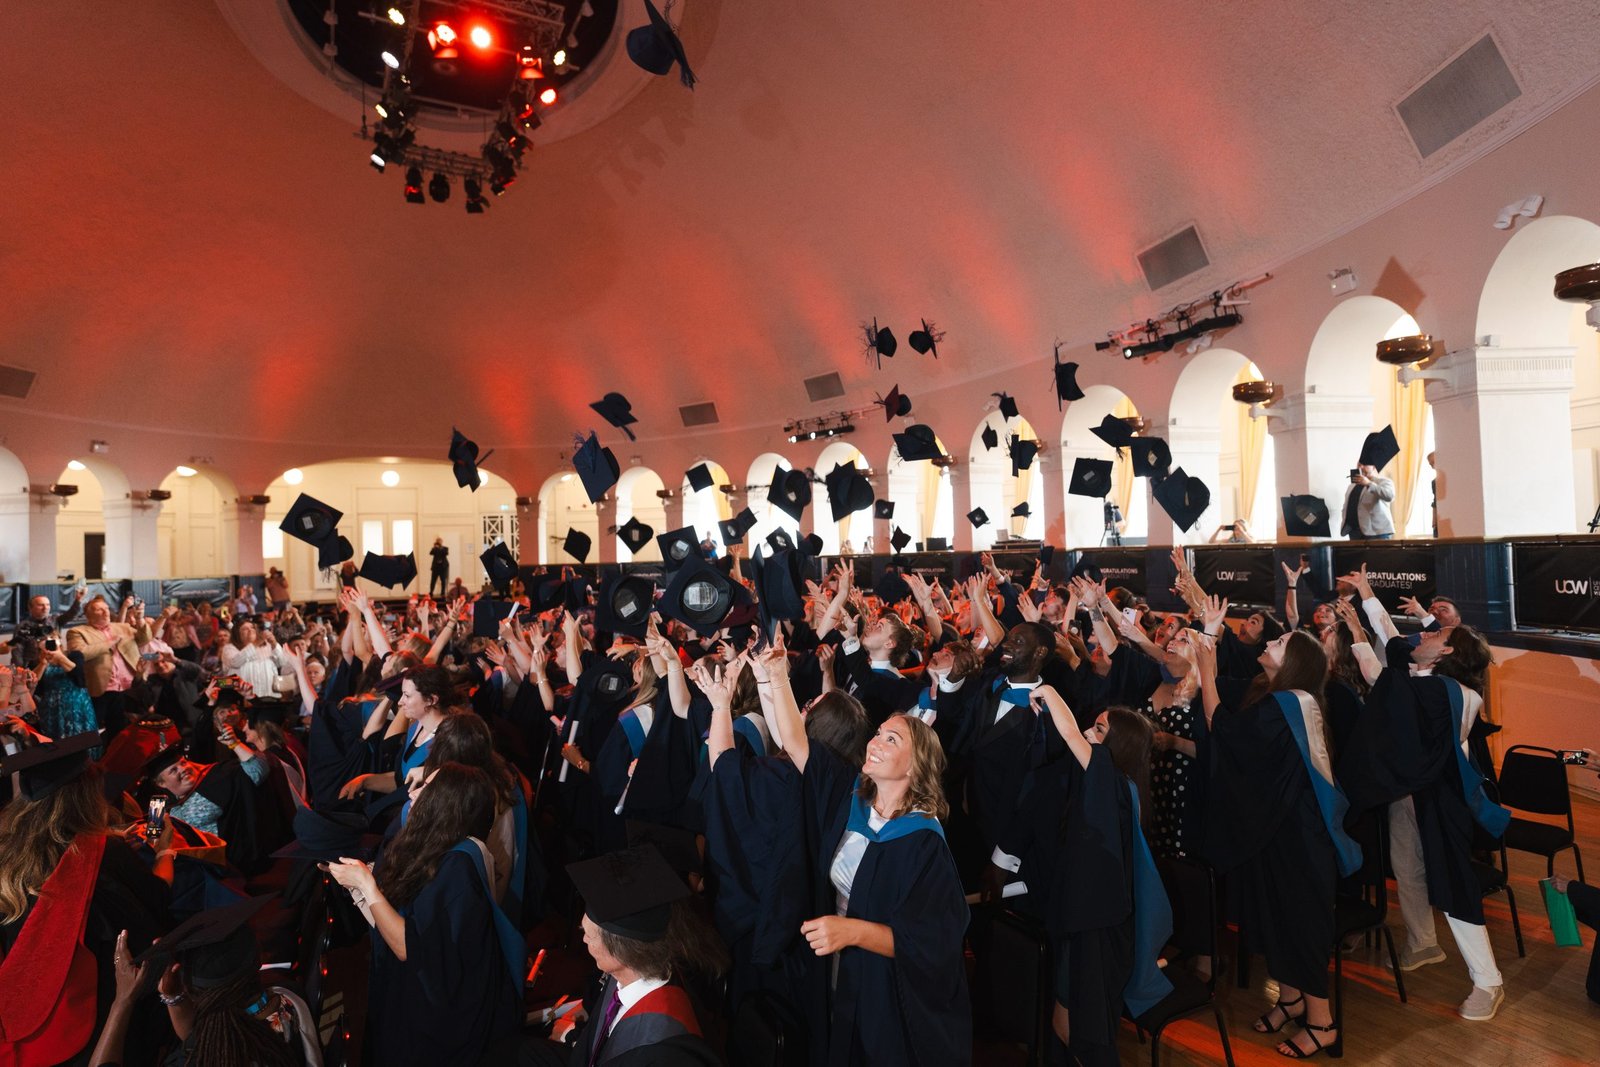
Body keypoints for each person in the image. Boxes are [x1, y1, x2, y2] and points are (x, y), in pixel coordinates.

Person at [764, 638, 971, 1066]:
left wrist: (852, 932)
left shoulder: (922, 843)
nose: (875, 742)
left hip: (887, 987)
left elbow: (933, 943)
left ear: (915, 766)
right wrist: (779, 674)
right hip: (834, 965)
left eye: (891, 740)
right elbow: (796, 741)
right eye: (877, 733)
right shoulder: (850, 796)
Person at [1196, 628, 1360, 1060]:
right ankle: (1291, 1000)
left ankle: (1322, 1024)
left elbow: (1223, 731)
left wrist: (1206, 669)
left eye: (1280, 642)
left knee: (1300, 925)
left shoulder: (1290, 703)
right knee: (1274, 919)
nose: (1270, 642)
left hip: (1299, 837)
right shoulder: (1278, 699)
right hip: (1277, 830)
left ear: (1293, 662)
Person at [327, 762, 522, 1066]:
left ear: (447, 802)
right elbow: (393, 926)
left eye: (426, 788)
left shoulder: (458, 866)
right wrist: (360, 891)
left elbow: (409, 946)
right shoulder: (432, 850)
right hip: (406, 996)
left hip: (437, 1019)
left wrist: (368, 884)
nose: (413, 794)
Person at [0, 733, 172, 1067]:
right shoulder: (101, 852)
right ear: (84, 795)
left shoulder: (6, 854)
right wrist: (166, 849)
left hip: (21, 1005)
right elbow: (158, 899)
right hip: (93, 1004)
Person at [553, 845, 727, 1065]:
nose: (585, 940)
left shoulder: (664, 1050)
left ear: (622, 954)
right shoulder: (625, 976)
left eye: (589, 935)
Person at [66, 596, 150, 740]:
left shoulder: (122, 627)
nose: (106, 612)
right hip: (102, 690)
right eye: (99, 609)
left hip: (131, 688)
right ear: (88, 614)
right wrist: (110, 642)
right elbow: (80, 653)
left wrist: (140, 618)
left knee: (133, 733)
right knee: (101, 734)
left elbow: (145, 639)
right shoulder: (77, 631)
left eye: (106, 608)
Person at [7, 588, 84, 669]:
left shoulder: (55, 620)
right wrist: (20, 672)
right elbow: (17, 652)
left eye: (48, 604)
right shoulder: (23, 626)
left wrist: (78, 600)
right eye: (41, 605)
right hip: (34, 667)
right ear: (30, 608)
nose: (45, 608)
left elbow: (71, 614)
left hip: (55, 664)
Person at [220, 619, 289, 701]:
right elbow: (235, 662)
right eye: (245, 629)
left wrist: (274, 644)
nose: (250, 630)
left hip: (268, 696)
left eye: (252, 627)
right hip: (240, 698)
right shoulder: (229, 648)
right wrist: (256, 643)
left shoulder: (267, 645)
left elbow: (282, 662)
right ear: (237, 634)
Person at [1340, 462, 1395, 540]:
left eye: (1365, 464)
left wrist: (1368, 483)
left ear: (1374, 467)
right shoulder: (1351, 486)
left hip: (1376, 532)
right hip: (1354, 532)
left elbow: (1390, 496)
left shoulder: (1384, 481)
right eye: (1359, 465)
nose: (1361, 467)